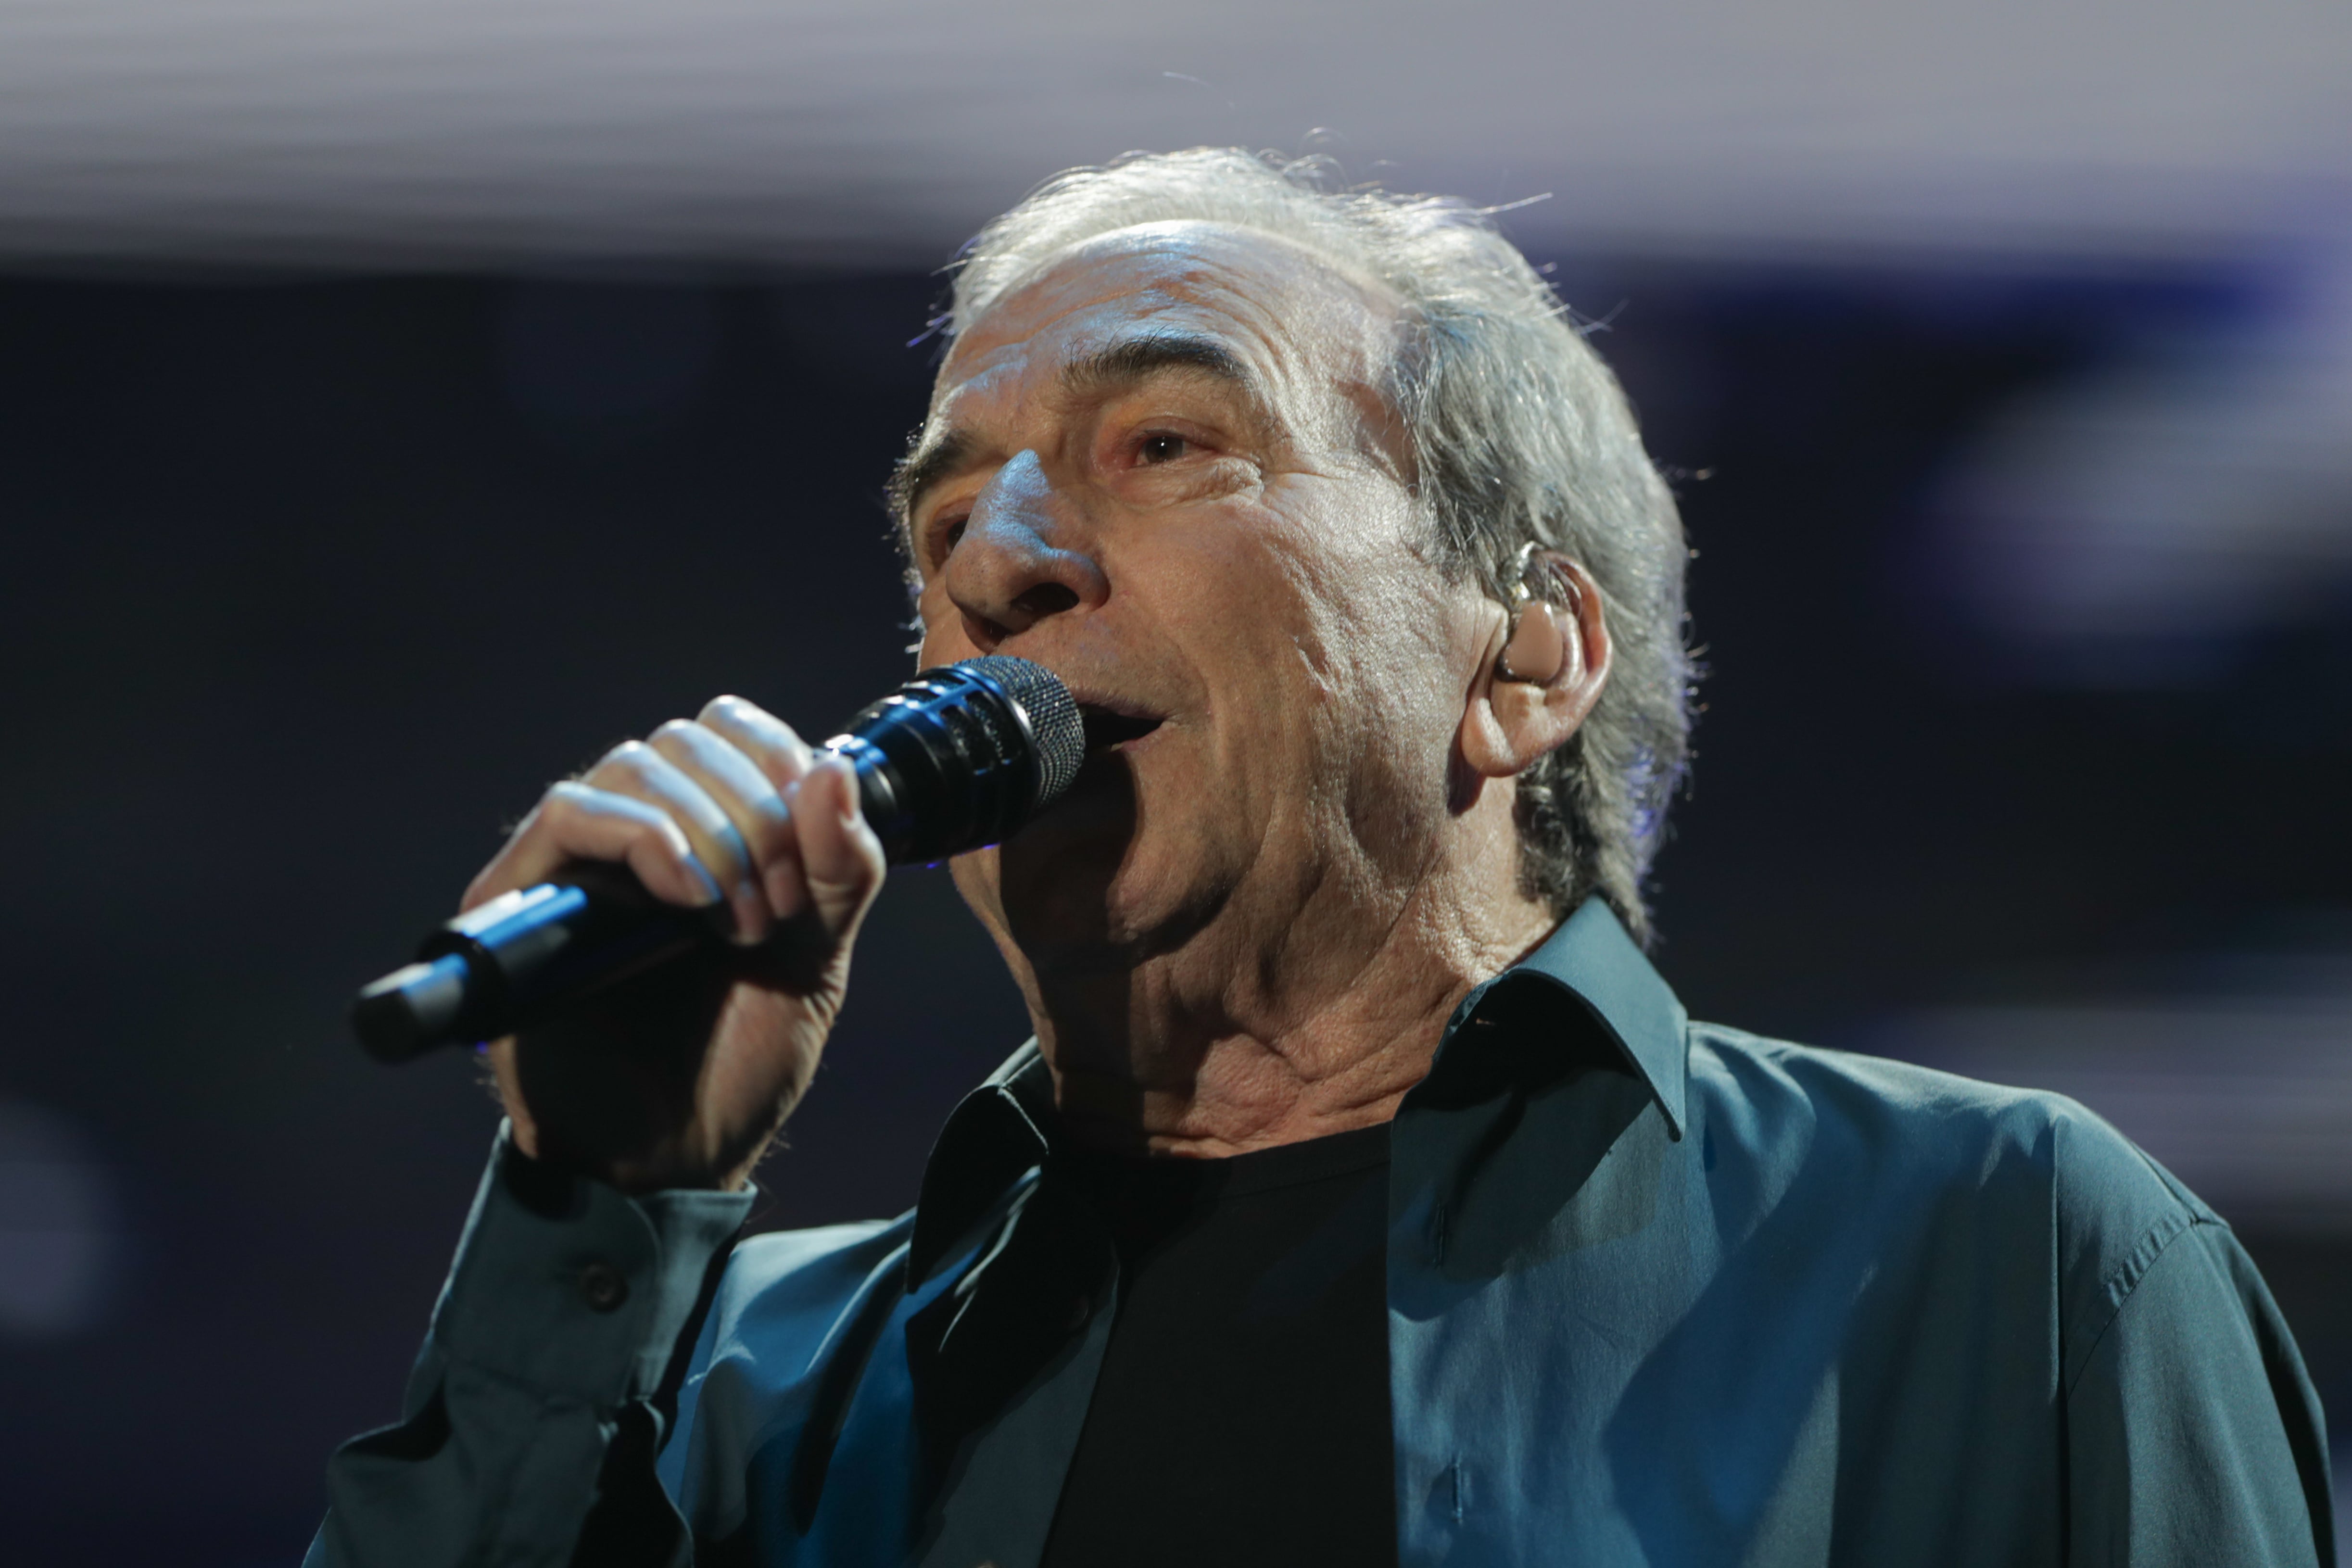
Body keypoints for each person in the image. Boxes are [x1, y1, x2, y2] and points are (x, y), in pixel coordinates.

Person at [307, 149, 2334, 1568]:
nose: (998, 559)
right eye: (944, 528)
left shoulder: (1997, 1259)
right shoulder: (747, 1380)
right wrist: (602, 1208)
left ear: (1521, 652)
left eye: (1165, 443)